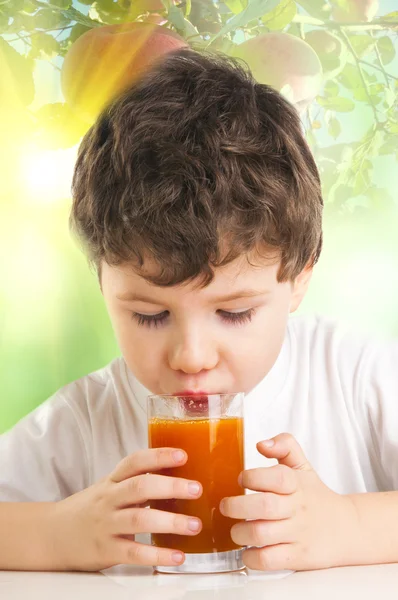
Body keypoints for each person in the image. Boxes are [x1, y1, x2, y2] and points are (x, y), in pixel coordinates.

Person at [1, 47, 398, 574]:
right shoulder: (85, 420)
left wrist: (350, 523)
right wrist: (54, 535)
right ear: (101, 280)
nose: (191, 357)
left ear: (300, 278)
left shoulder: (356, 378)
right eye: (148, 315)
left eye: (234, 314)